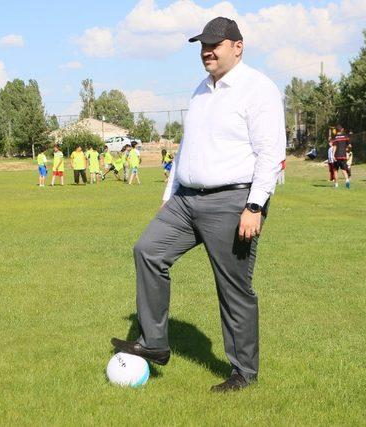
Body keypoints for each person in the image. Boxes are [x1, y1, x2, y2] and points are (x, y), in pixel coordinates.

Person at [110, 16, 286, 393]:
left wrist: (254, 206)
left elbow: (270, 153)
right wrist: (167, 197)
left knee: (233, 287)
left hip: (233, 200)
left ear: (237, 47)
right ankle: (155, 343)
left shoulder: (259, 89)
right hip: (186, 199)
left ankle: (243, 373)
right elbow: (188, 147)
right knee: (148, 250)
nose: (206, 50)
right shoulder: (199, 91)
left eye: (214, 44)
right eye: (202, 45)